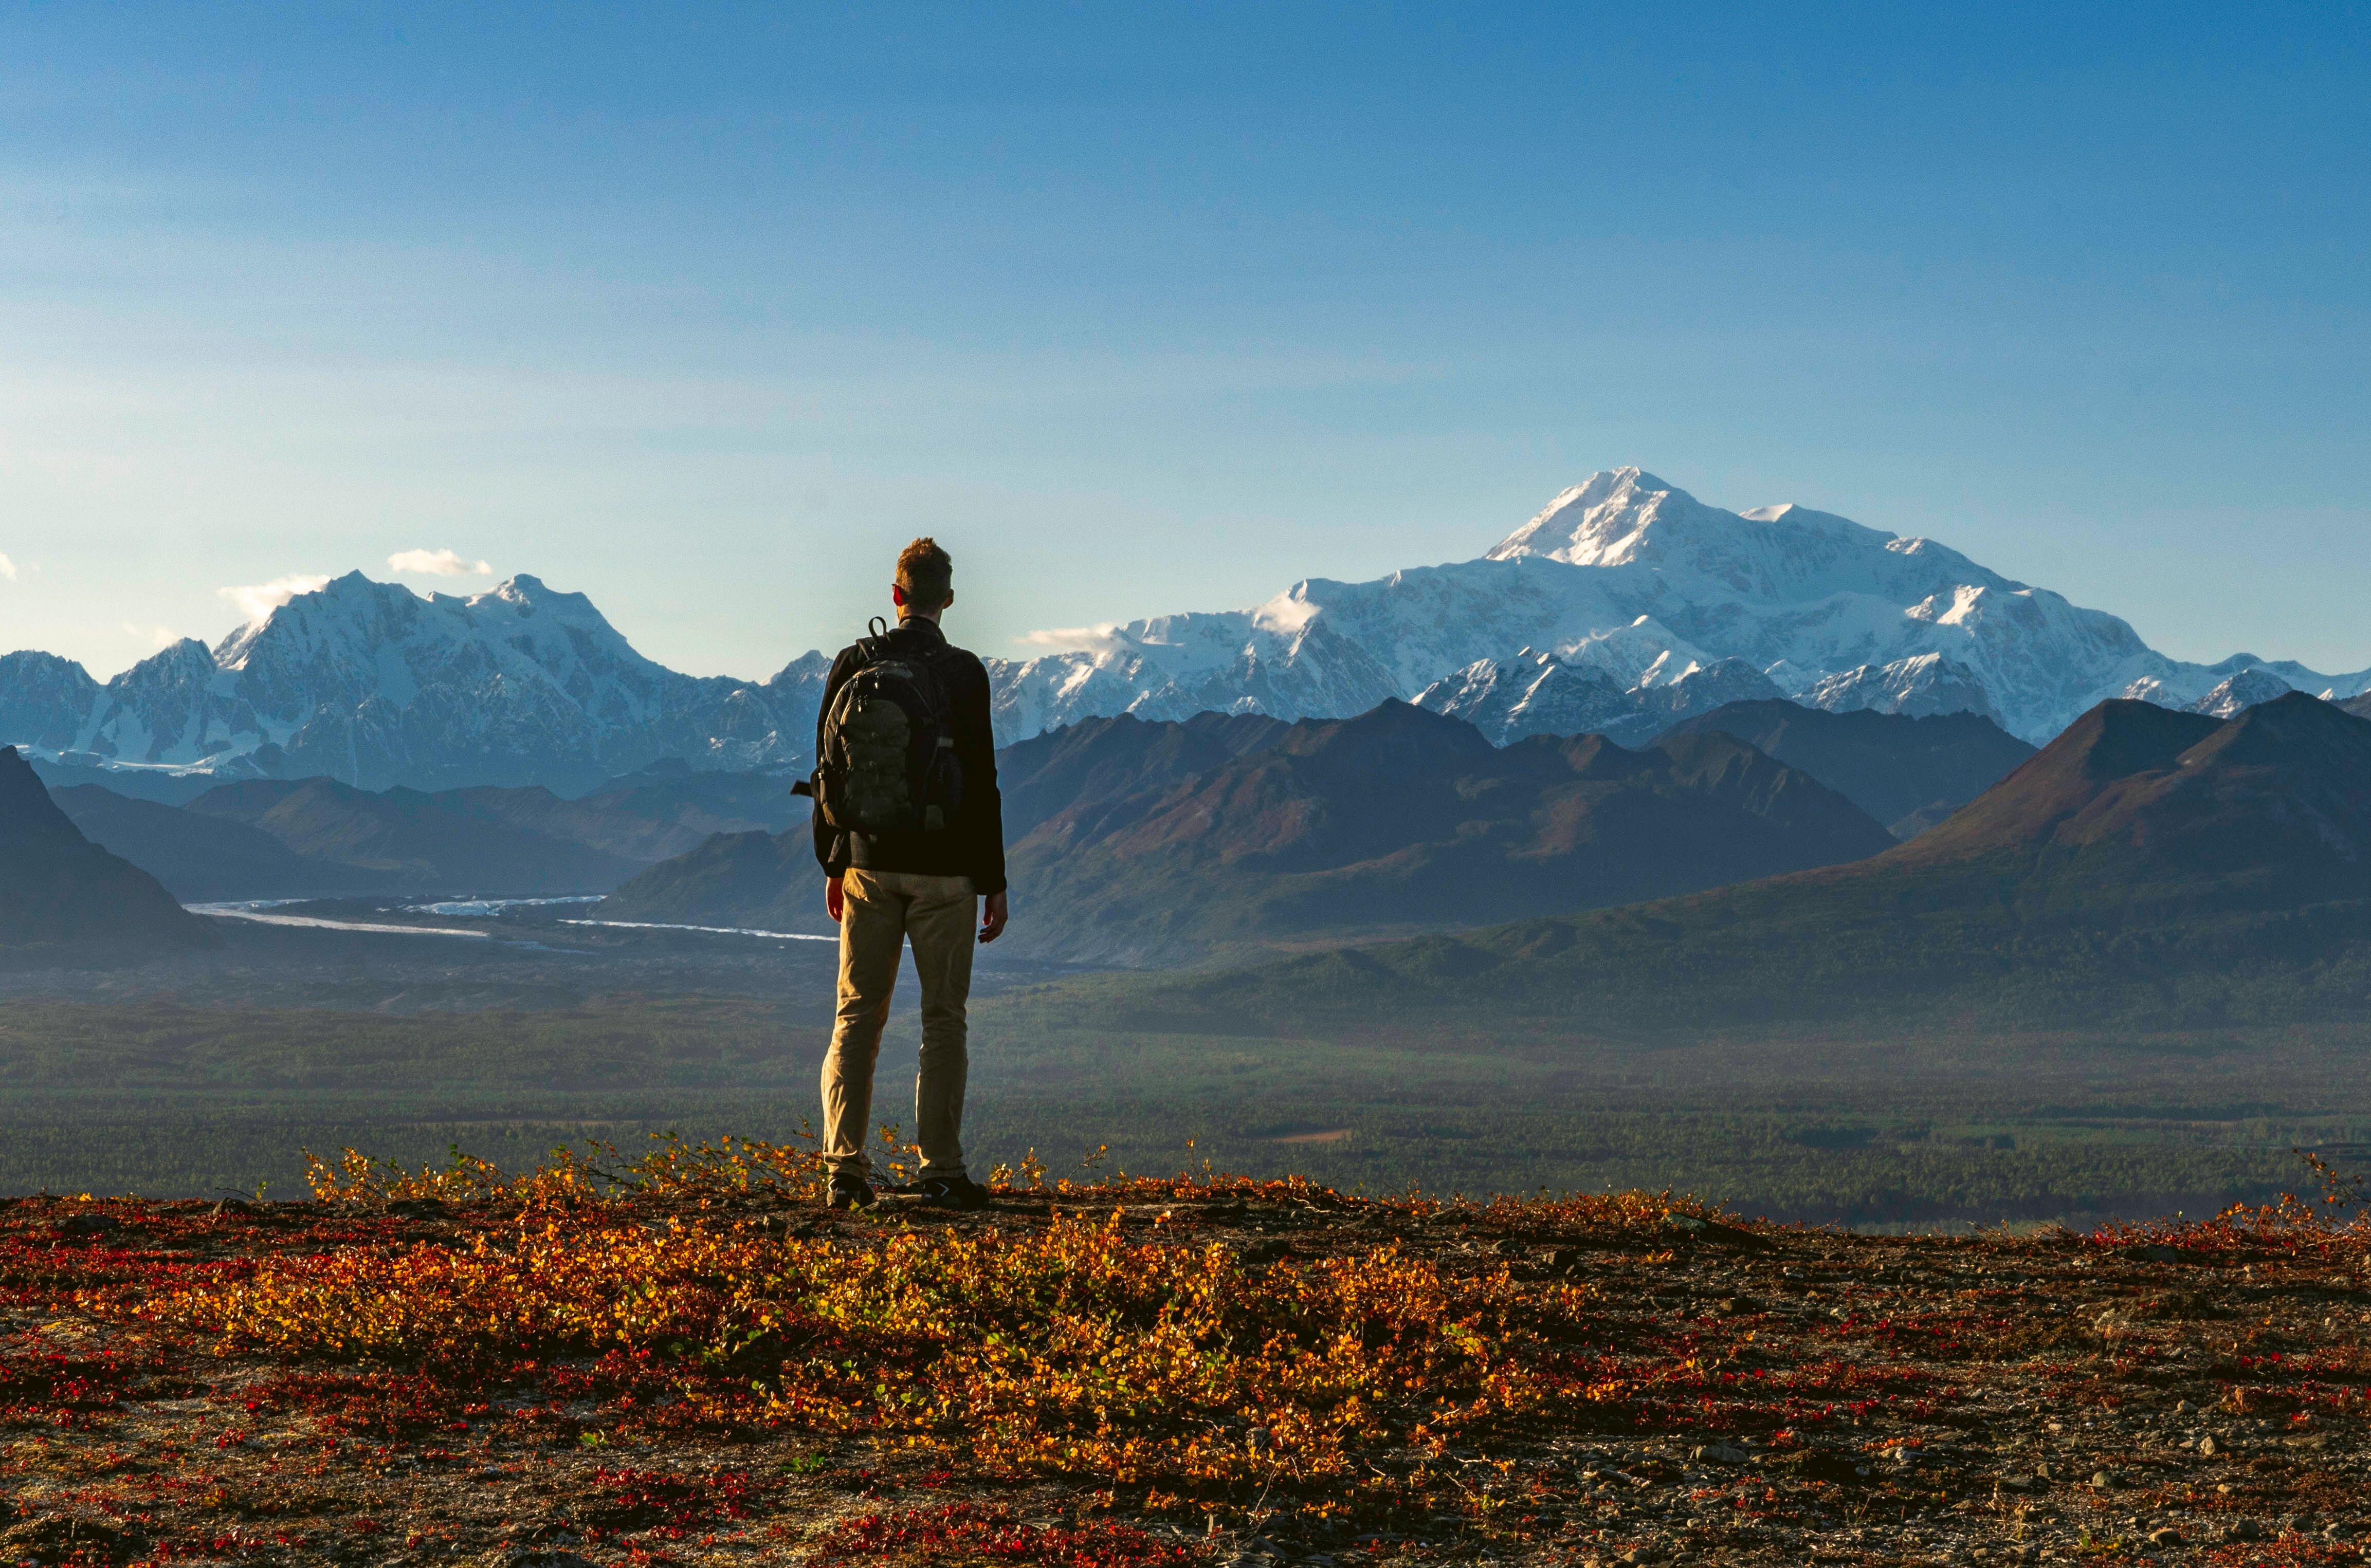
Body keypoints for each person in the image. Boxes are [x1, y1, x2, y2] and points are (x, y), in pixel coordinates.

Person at [811, 537, 1008, 1211]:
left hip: (867, 865)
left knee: (856, 1016)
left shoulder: (852, 663)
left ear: (895, 596)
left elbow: (827, 773)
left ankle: (843, 1169)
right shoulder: (964, 674)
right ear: (946, 599)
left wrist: (835, 863)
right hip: (947, 873)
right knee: (942, 1020)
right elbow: (981, 782)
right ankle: (941, 1170)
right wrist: (994, 879)